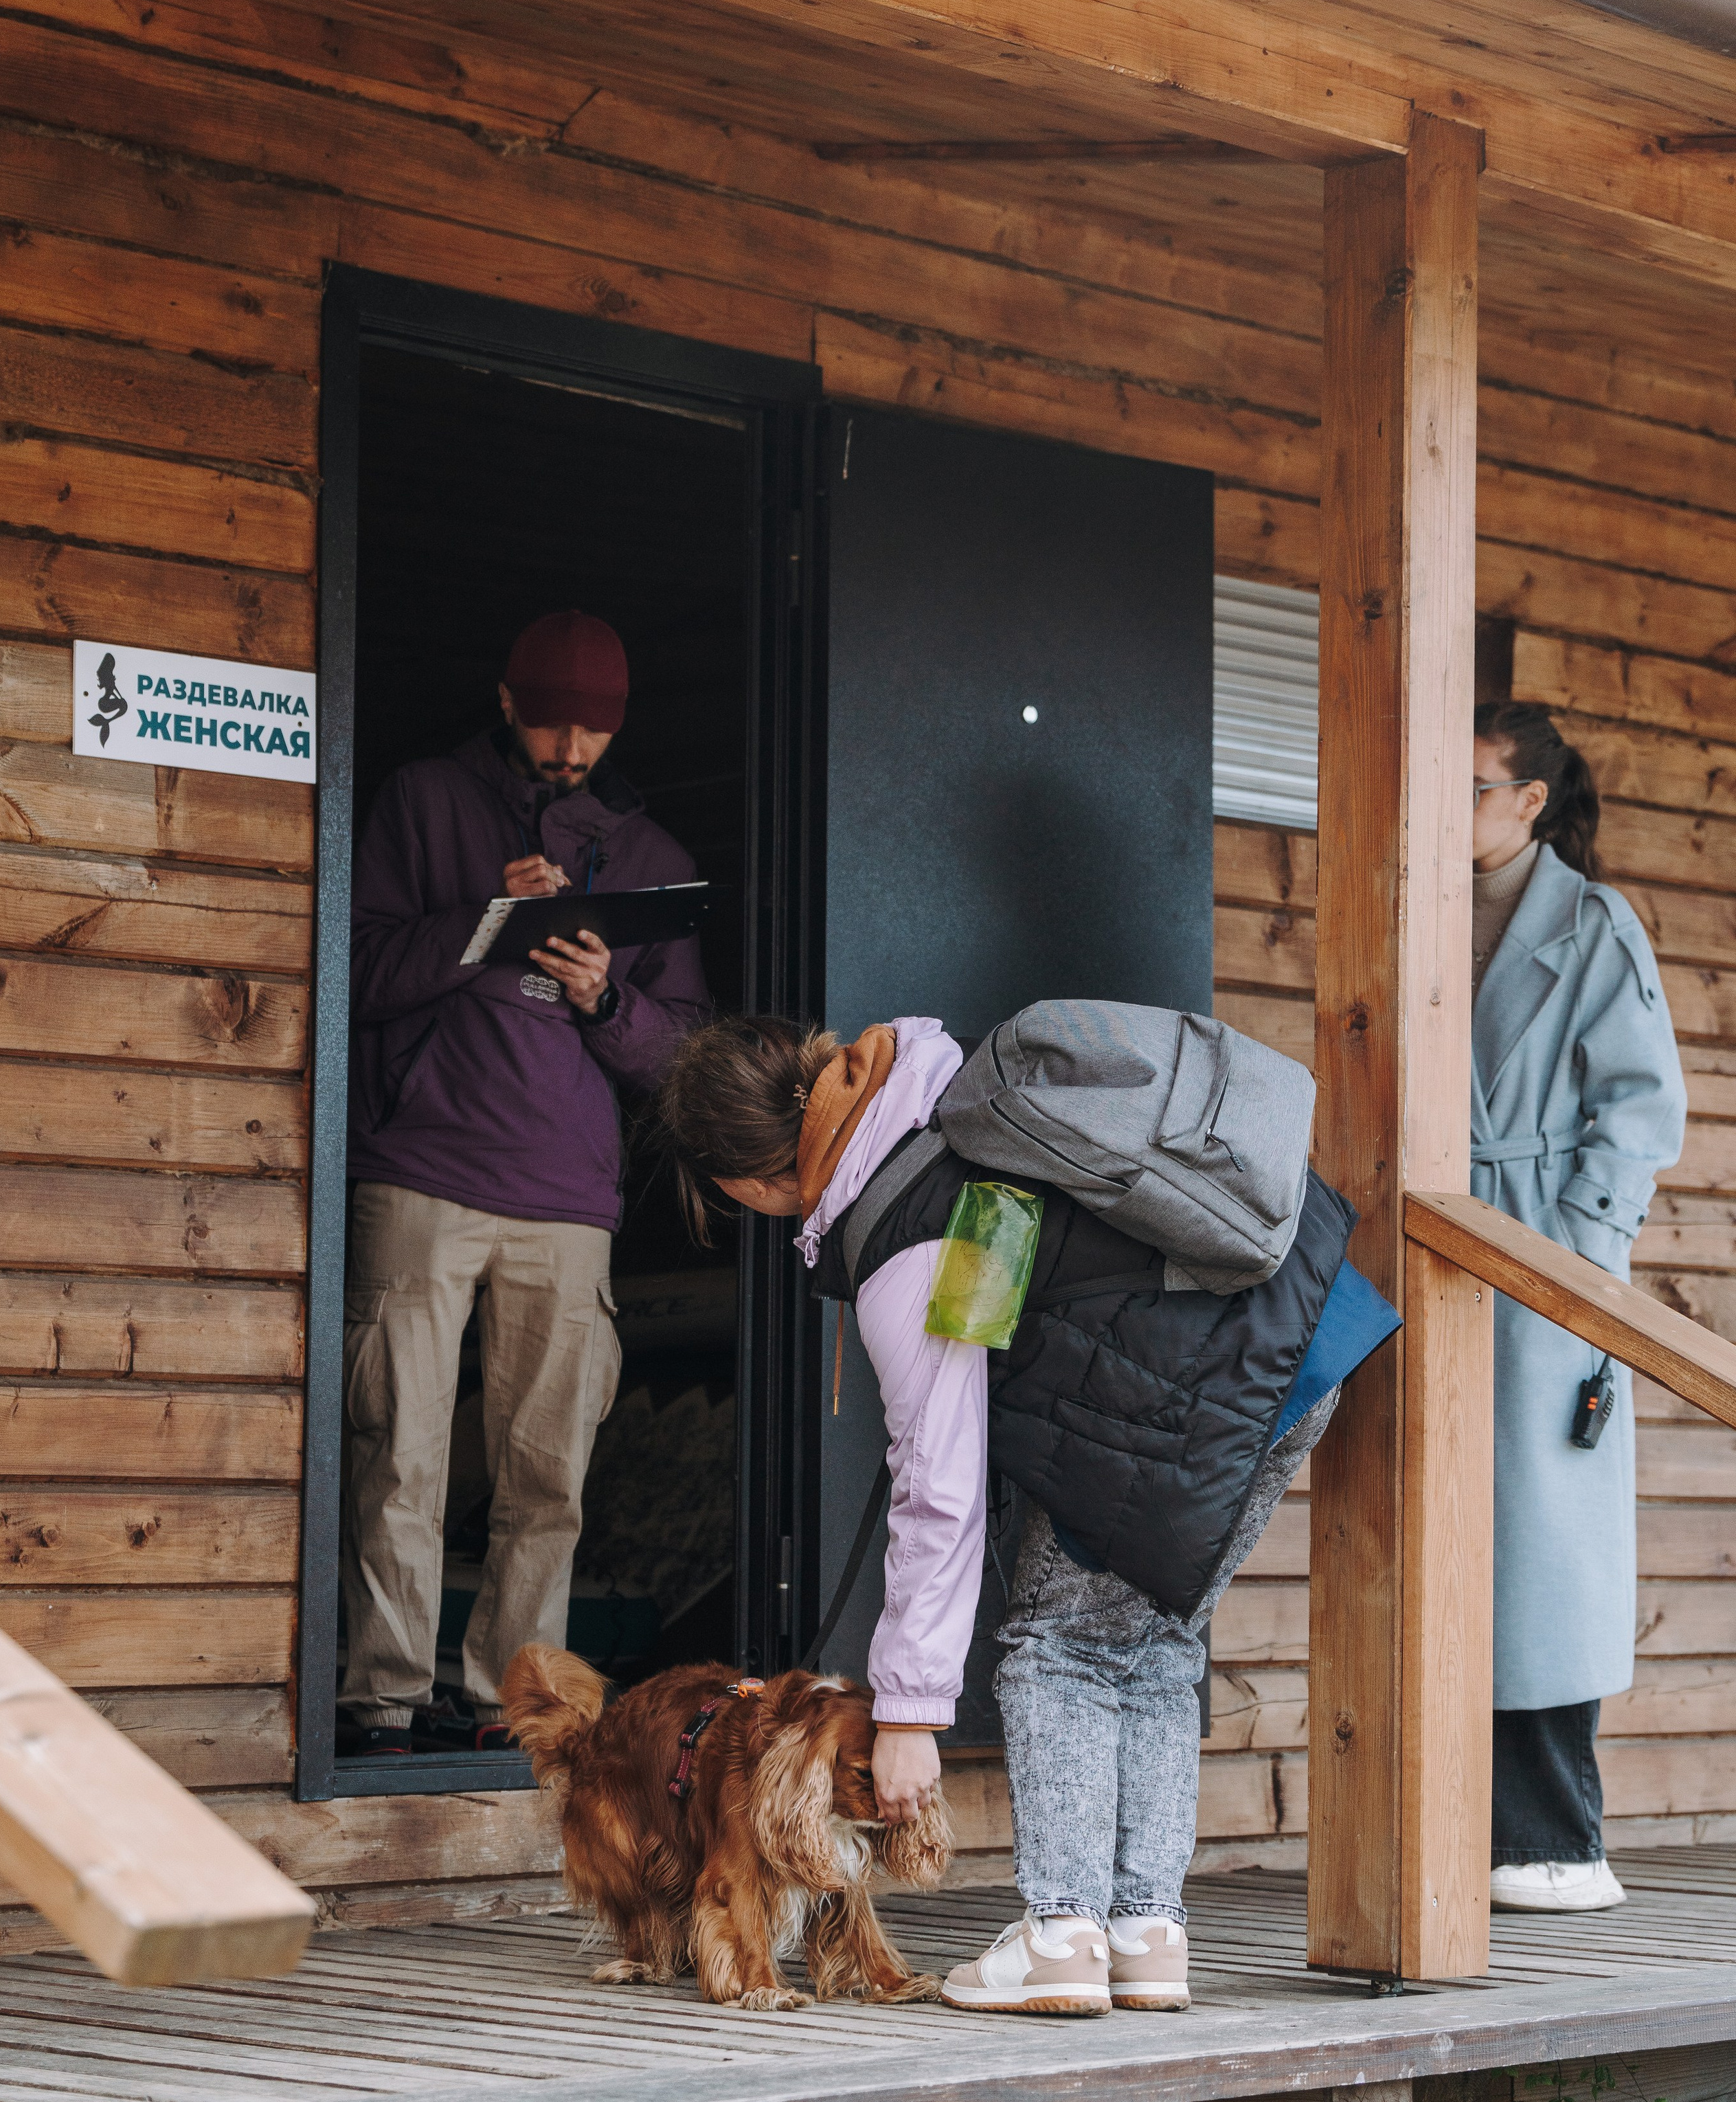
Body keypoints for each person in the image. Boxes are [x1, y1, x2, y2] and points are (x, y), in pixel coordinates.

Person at [653, 1010, 1395, 2016]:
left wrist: (910, 1714)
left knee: (1061, 1643)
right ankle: (1145, 1930)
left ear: (740, 1179)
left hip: (1210, 1376)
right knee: (1154, 1632)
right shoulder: (937, 1100)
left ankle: (1063, 1934)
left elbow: (940, 1484)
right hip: (1298, 1341)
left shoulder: (910, 1223)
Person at [339, 610, 711, 1756]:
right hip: (422, 1169)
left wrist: (607, 996)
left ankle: (518, 1708)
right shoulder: (422, 801)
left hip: (569, 1198)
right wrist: (487, 922)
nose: (569, 750)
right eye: (550, 723)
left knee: (547, 1474)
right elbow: (354, 970)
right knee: (399, 1450)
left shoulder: (650, 858)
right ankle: (383, 1699)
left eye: (592, 731)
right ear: (505, 702)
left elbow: (685, 1058)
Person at [1472, 703, 1686, 1913]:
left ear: (1529, 801)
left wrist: (1576, 1257)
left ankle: (1557, 1840)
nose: (1446, 804)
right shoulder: (1423, 910)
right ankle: (1458, 1827)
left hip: (1542, 1259)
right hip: (1435, 1248)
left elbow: (1645, 1107)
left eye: (1471, 784)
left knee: (1543, 1552)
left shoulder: (1593, 922)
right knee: (1441, 1534)